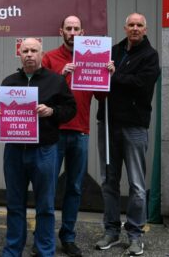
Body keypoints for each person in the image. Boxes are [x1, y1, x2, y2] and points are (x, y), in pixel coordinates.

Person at [0, 38, 77, 257]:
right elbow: (1, 116)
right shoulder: (9, 82)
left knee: (45, 205)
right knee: (14, 203)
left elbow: (70, 109)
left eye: (34, 51)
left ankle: (44, 250)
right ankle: (12, 250)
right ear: (19, 55)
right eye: (25, 51)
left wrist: (52, 111)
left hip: (44, 150)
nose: (29, 54)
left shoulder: (56, 81)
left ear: (41, 54)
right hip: (15, 150)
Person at [41, 16, 113, 257]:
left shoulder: (93, 57)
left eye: (76, 29)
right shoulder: (49, 58)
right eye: (68, 28)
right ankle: (44, 238)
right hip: (54, 132)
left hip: (81, 131)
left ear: (83, 31)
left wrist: (107, 75)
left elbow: (102, 98)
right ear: (61, 31)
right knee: (48, 188)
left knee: (74, 188)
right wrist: (60, 75)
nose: (72, 32)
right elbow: (41, 94)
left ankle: (68, 237)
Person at [95, 13, 160, 256]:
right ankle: (111, 231)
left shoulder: (150, 56)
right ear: (125, 28)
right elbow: (100, 83)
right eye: (131, 25)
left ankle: (135, 235)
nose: (135, 28)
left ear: (145, 29)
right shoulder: (112, 51)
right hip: (108, 124)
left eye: (139, 25)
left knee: (137, 185)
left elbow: (141, 84)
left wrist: (115, 76)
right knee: (108, 181)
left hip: (134, 127)